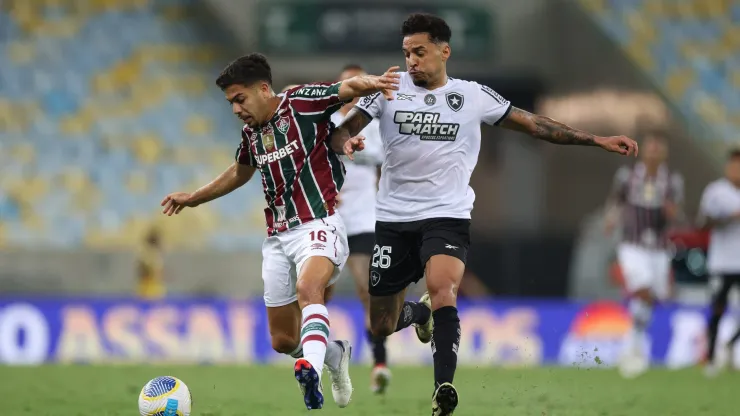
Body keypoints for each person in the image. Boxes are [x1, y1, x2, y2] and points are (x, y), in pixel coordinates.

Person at [330, 13, 638, 416]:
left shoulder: (472, 95)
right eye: (407, 53)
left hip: (448, 214)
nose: (411, 62)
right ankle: (418, 313)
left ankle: (444, 389)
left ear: (444, 51)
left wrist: (595, 139)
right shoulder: (386, 92)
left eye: (419, 53)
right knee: (381, 324)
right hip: (393, 217)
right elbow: (340, 131)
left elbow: (535, 125)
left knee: (444, 289)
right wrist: (346, 142)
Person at [160, 53, 400, 410]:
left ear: (262, 89)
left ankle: (311, 371)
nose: (236, 109)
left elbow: (343, 88)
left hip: (321, 224)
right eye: (230, 103)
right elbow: (240, 172)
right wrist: (195, 197)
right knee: (283, 339)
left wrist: (375, 81)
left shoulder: (300, 103)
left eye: (239, 99)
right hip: (278, 238)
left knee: (309, 288)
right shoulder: (251, 134)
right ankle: (333, 354)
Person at [330, 64, 391, 394]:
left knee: (367, 289)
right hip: (329, 216)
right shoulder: (326, 122)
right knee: (318, 292)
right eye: (347, 84)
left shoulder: (377, 122)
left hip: (364, 215)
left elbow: (385, 160)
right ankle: (317, 357)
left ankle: (379, 363)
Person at [603, 133, 684, 379]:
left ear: (663, 154)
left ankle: (633, 345)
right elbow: (615, 201)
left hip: (659, 248)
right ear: (642, 151)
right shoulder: (628, 177)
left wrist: (673, 213)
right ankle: (634, 347)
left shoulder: (672, 180)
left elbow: (677, 212)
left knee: (652, 298)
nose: (652, 153)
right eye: (649, 148)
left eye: (657, 149)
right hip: (633, 245)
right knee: (644, 289)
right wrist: (611, 219)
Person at [699, 149, 740, 377]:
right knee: (718, 310)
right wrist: (728, 217)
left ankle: (732, 343)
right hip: (722, 262)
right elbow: (702, 223)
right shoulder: (716, 191)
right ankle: (712, 359)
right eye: (734, 165)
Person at [136, 226, 165, 299]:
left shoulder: (157, 254)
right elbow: (142, 269)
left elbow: (158, 271)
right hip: (147, 284)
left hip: (154, 285)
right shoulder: (145, 253)